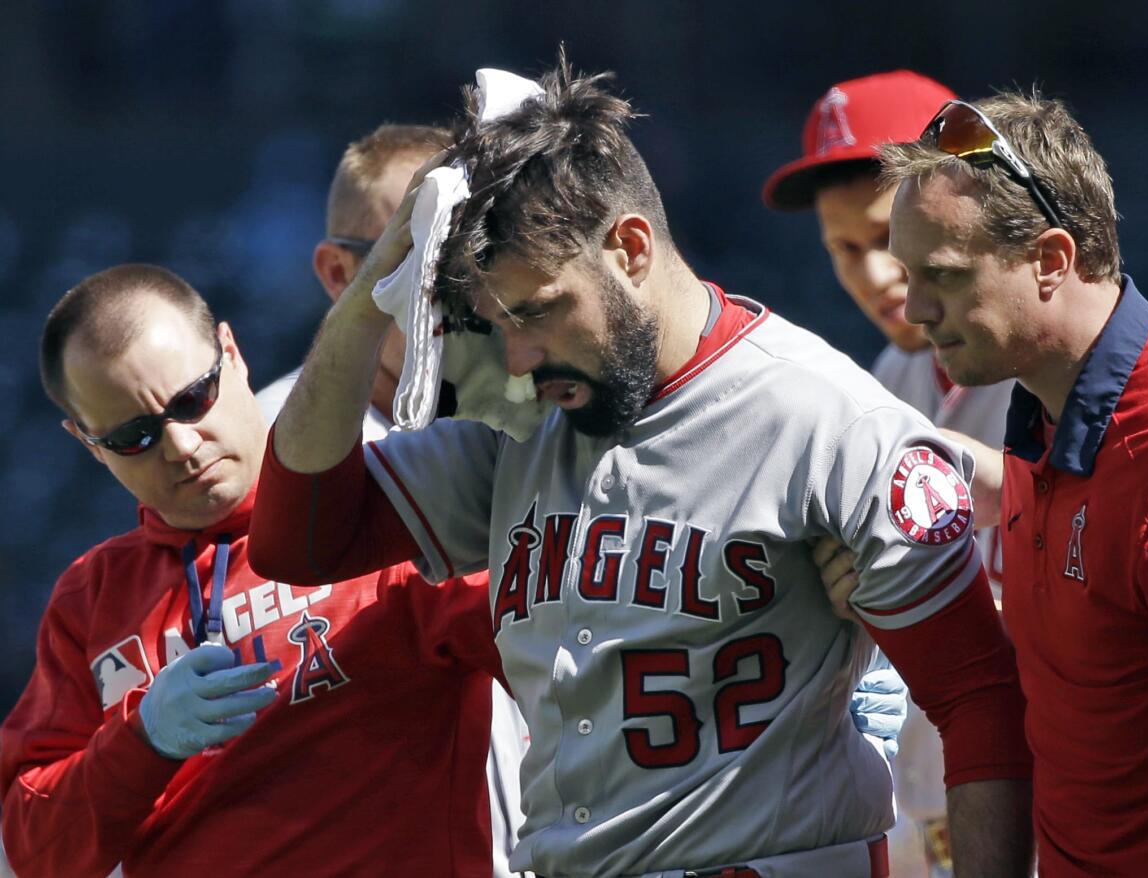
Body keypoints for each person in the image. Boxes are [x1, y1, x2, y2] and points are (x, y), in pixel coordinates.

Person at [249, 58, 1035, 878]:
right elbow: (298, 540)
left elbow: (978, 703)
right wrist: (379, 273)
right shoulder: (526, 418)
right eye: (500, 320)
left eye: (541, 309)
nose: (517, 353)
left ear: (628, 249)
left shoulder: (824, 415)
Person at [0, 265, 504, 877]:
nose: (182, 447)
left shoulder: (386, 512)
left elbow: (567, 658)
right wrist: (143, 739)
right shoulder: (90, 597)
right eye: (134, 436)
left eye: (191, 399)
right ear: (87, 444)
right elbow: (35, 854)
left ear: (232, 354)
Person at [880, 93, 1148, 876]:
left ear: (1051, 260)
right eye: (908, 272)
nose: (914, 307)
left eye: (942, 274)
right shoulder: (1048, 422)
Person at [254, 122, 534, 877]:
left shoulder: (537, 408)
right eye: (415, 257)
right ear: (340, 273)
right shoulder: (264, 459)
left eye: (472, 252)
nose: (452, 289)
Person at [762, 70, 1017, 878]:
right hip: (931, 821)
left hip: (1061, 811)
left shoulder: (1047, 374)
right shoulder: (885, 382)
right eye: (846, 250)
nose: (874, 278)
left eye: (885, 240)